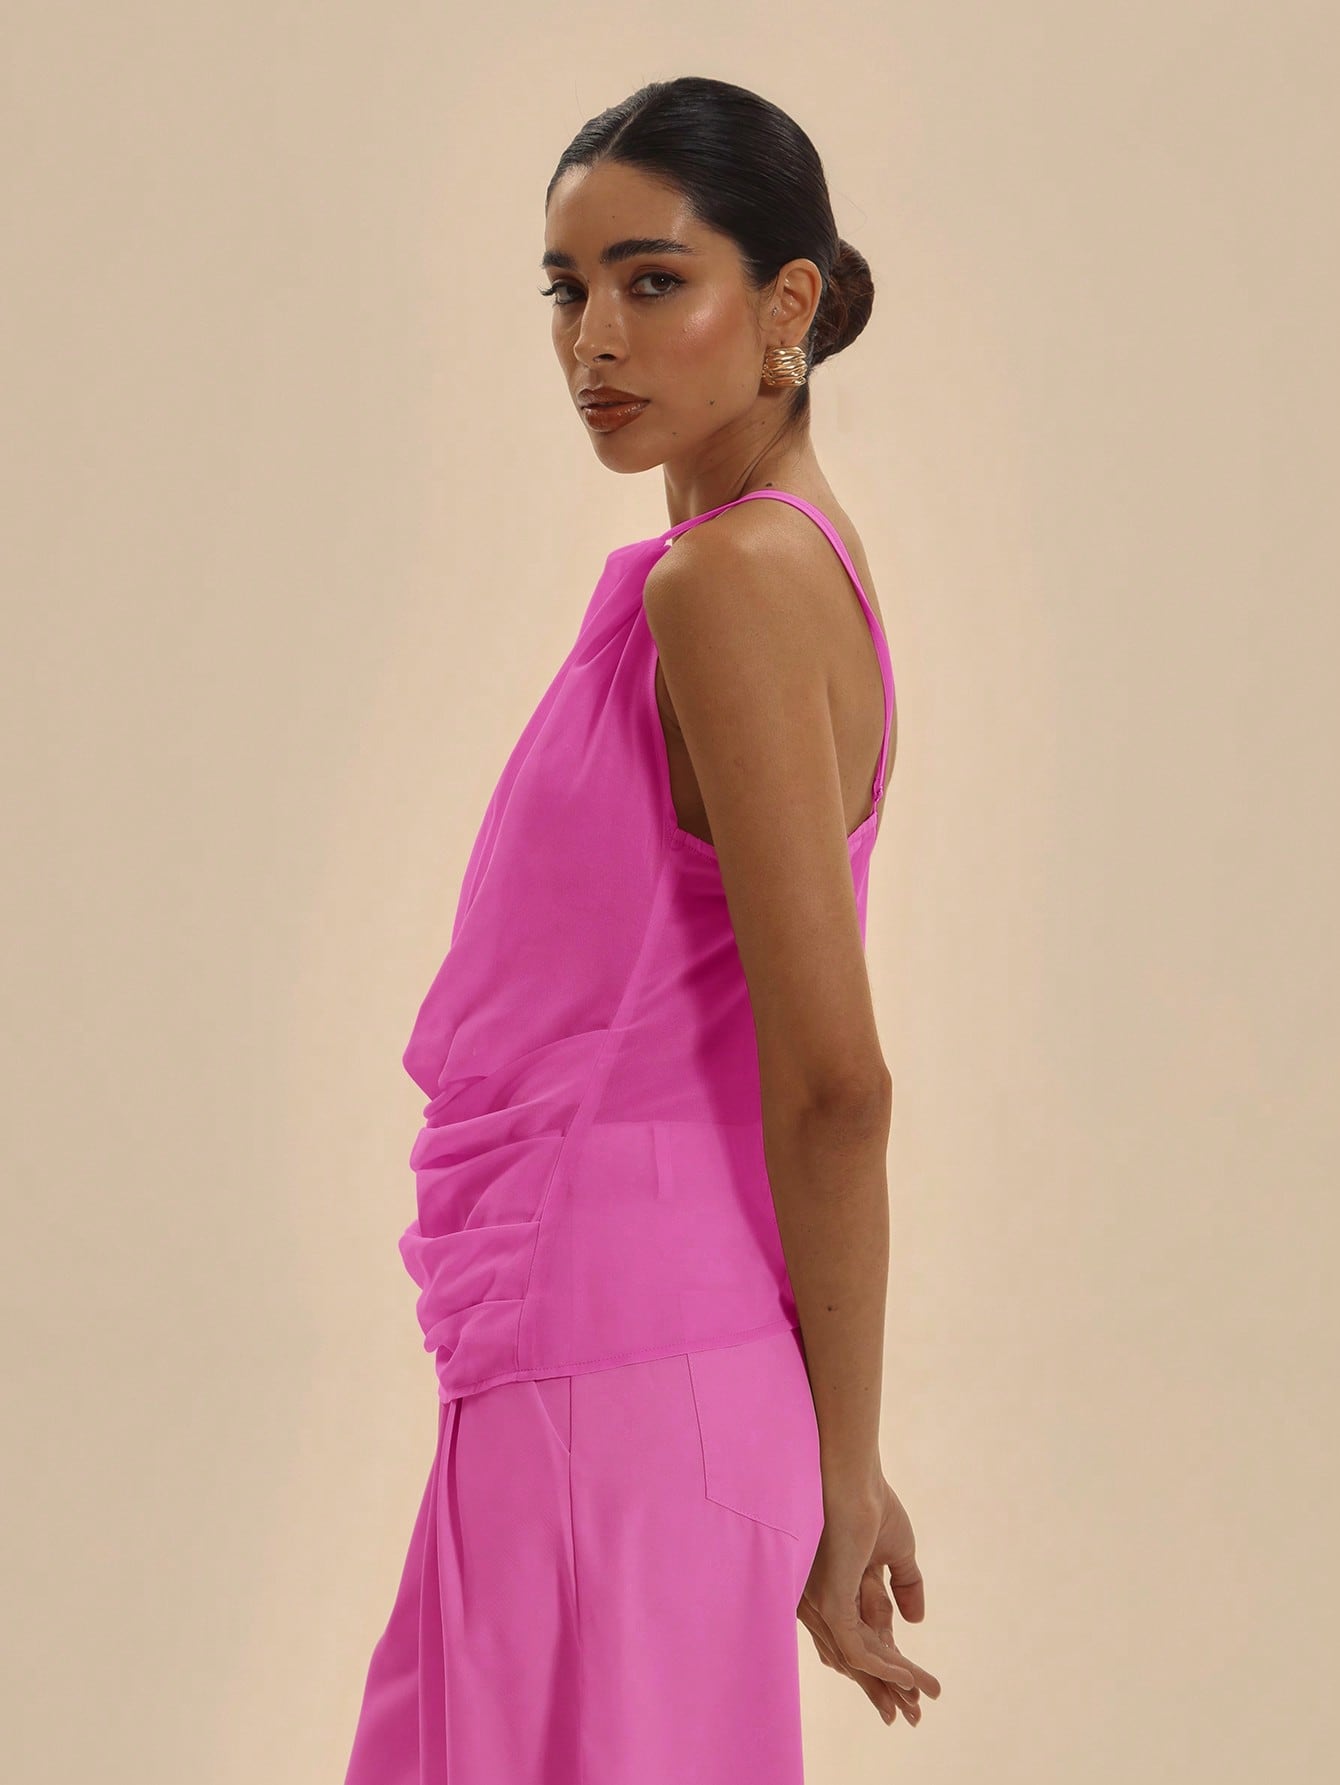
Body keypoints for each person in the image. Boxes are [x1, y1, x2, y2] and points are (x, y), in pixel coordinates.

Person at [343, 73, 942, 1785]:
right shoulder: (790, 563)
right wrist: (822, 1426)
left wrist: (845, 1461)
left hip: (612, 1391)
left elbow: (837, 1079)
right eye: (567, 288)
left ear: (788, 303)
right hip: (644, 1374)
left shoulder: (729, 584)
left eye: (653, 279)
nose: (594, 338)